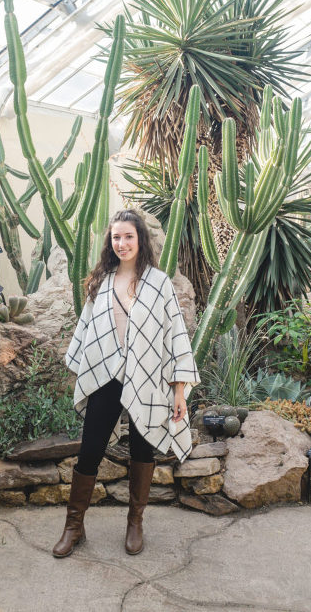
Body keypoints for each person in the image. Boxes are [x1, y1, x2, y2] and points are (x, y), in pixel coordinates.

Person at [52, 208, 200, 558]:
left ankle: (135, 522)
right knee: (90, 450)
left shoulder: (159, 283)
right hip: (107, 376)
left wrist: (179, 391)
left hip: (146, 378)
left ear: (140, 240)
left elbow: (175, 337)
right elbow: (88, 331)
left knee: (142, 451)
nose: (122, 243)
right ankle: (74, 526)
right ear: (110, 241)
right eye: (116, 237)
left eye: (128, 237)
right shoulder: (101, 282)